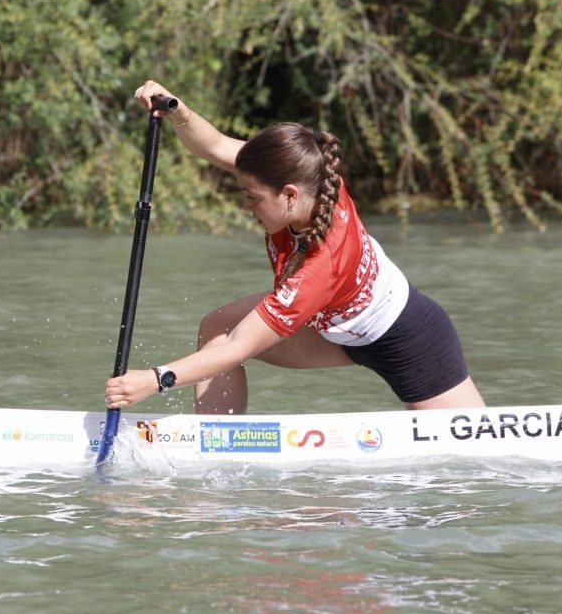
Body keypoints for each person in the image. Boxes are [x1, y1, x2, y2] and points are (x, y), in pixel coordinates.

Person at [104, 80, 486, 414]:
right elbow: (216, 145)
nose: (245, 206)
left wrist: (154, 380)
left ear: (288, 195)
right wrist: (176, 110)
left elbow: (239, 347)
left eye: (252, 197)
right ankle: (216, 442)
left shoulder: (319, 269)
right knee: (218, 326)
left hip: (407, 340)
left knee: (476, 457)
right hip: (332, 333)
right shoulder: (306, 177)